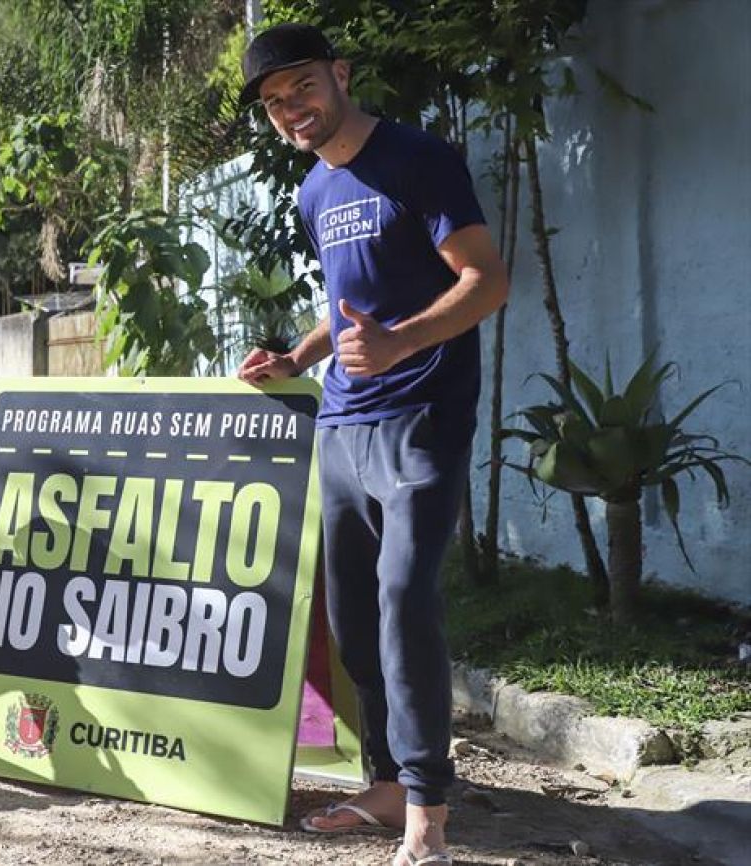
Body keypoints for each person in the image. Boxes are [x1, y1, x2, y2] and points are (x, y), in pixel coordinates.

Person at [236, 23, 509, 866]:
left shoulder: (419, 159)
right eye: (276, 103)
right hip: (342, 424)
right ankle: (388, 784)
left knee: (404, 603)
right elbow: (347, 301)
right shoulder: (315, 191)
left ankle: (427, 815)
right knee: (353, 622)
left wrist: (400, 344)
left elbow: (485, 280)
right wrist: (297, 357)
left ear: (340, 75)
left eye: (303, 88)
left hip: (422, 417)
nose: (292, 110)